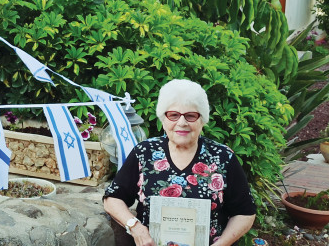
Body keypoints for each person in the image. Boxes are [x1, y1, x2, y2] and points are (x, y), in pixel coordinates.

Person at [103, 79, 256, 246]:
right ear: (163, 119)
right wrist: (135, 227)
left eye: (190, 116)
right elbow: (113, 198)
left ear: (202, 120)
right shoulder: (144, 153)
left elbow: (245, 213)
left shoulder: (223, 157)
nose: (181, 123)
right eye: (173, 115)